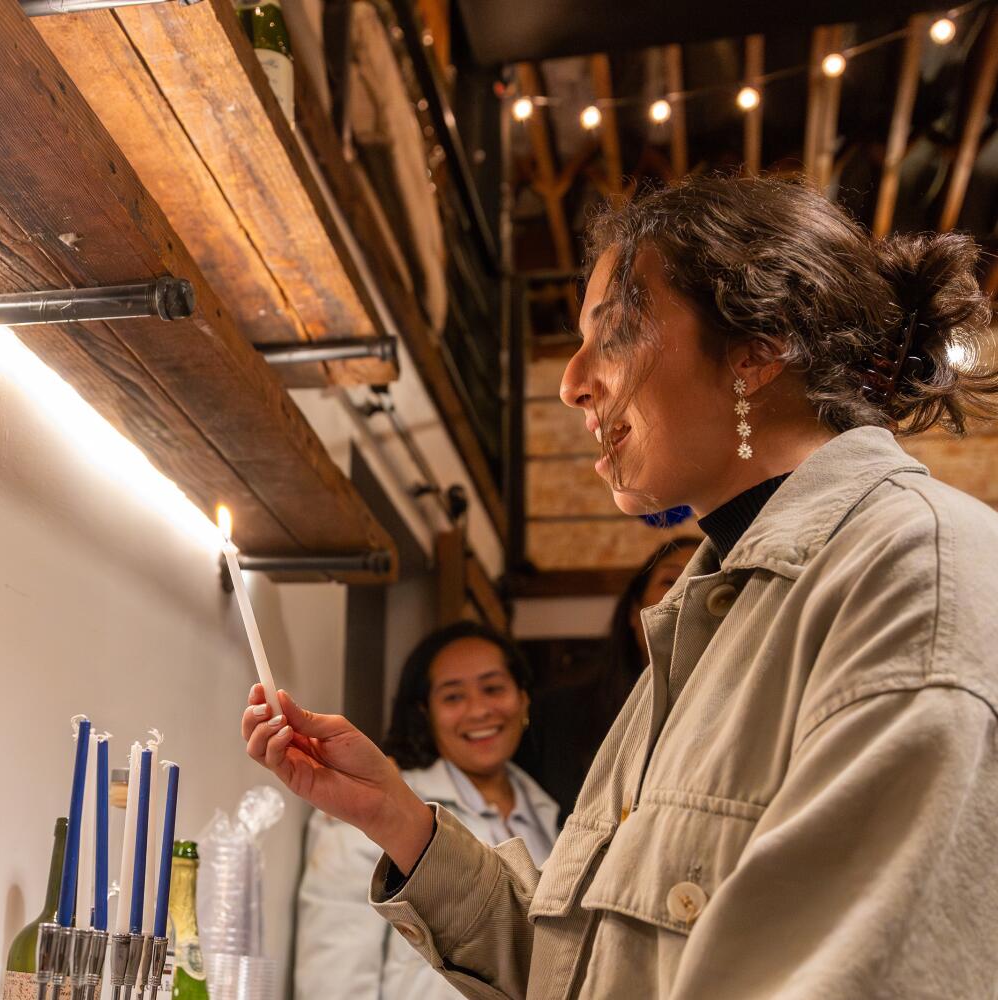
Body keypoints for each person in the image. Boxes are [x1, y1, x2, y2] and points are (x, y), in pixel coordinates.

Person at [243, 174, 998, 999]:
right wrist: (399, 820)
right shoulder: (704, 625)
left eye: (615, 332)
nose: (571, 381)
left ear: (760, 344)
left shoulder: (910, 569)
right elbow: (585, 974)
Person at [293, 620, 558, 1000]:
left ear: (523, 698)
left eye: (493, 688)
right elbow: (335, 976)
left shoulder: (554, 816)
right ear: (425, 712)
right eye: (453, 697)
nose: (479, 710)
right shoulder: (376, 806)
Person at [517, 538, 698, 823]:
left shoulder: (754, 714)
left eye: (705, 579)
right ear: (633, 613)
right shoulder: (554, 717)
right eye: (670, 580)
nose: (687, 591)